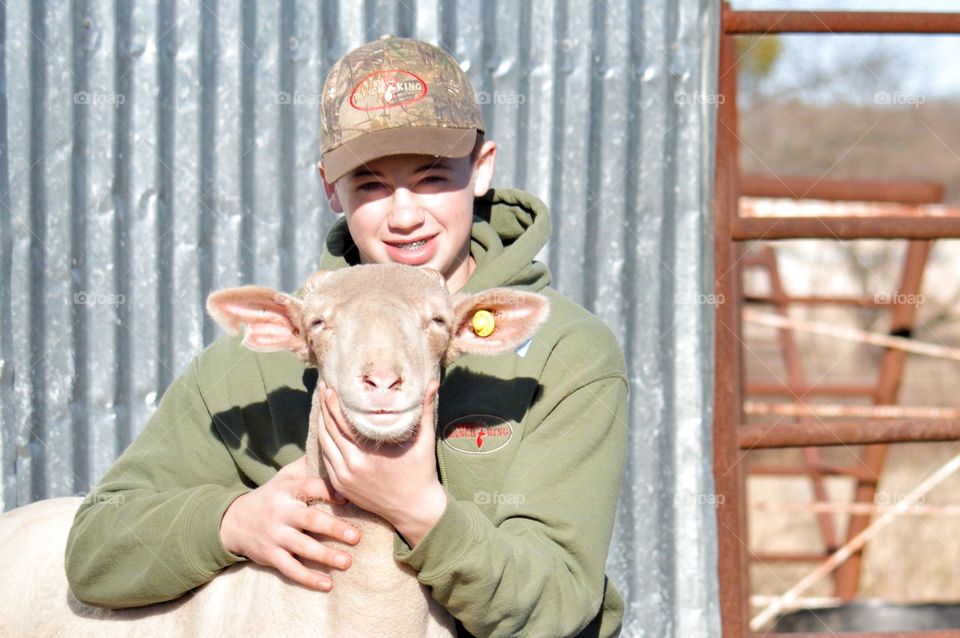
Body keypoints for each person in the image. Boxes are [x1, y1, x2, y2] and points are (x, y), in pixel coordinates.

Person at [66, 36, 628, 637]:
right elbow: (97, 549)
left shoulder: (561, 354)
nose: (405, 214)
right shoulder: (257, 361)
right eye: (371, 184)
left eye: (433, 176)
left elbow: (560, 605)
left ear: (482, 167)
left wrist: (418, 510)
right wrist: (232, 522)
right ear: (330, 187)